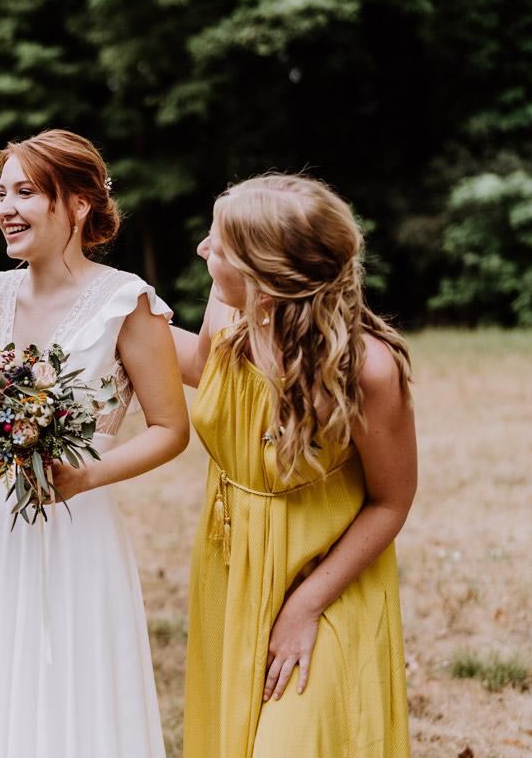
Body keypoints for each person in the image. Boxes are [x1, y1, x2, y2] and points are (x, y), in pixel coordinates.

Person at [0, 129, 190, 758]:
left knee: (72, 690)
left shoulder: (126, 301)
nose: (6, 208)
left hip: (78, 524)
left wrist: (83, 477)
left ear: (78, 203)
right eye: (2, 193)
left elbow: (170, 429)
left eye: (27, 191)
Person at [172, 174, 416, 757]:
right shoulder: (230, 314)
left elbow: (392, 500)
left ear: (269, 276)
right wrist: (103, 327)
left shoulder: (367, 369)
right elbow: (207, 370)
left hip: (326, 578)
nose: (204, 250)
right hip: (234, 562)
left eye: (220, 244)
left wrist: (305, 607)